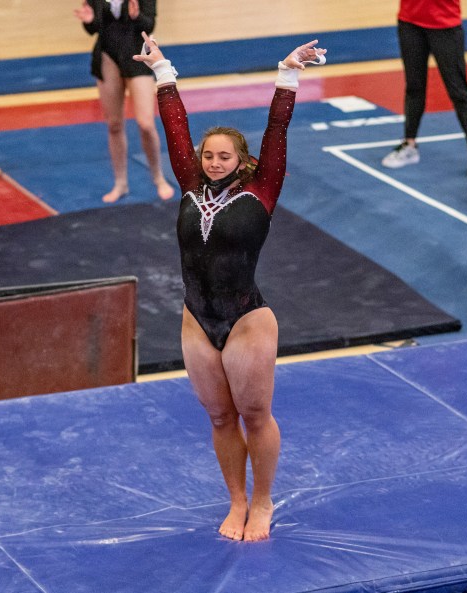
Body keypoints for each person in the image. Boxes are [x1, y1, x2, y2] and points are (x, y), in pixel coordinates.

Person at [134, 34, 326, 542]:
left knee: (255, 412)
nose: (214, 162)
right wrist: (161, 69)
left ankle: (262, 500)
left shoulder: (263, 189)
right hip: (196, 319)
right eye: (208, 156)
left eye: (224, 157)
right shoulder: (189, 183)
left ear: (241, 161)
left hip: (245, 319)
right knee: (220, 415)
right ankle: (236, 500)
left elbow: (277, 128)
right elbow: (176, 126)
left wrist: (288, 74)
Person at [74, 0, 174, 202]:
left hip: (137, 56)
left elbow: (149, 25)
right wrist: (89, 21)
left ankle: (158, 177)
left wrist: (137, 16)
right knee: (114, 125)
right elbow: (94, 28)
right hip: (107, 56)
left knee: (146, 124)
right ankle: (121, 183)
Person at [381, 0, 467, 180]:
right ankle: (409, 144)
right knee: (414, 87)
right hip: (410, 21)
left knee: (458, 91)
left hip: (445, 24)